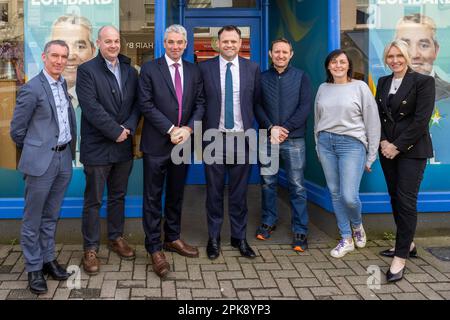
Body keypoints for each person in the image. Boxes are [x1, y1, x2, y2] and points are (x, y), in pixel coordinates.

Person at [138, 24, 205, 278]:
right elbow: (145, 103)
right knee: (153, 198)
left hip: (183, 142)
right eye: (171, 42)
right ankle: (154, 248)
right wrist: (170, 129)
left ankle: (173, 237)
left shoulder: (193, 70)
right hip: (157, 143)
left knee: (176, 194)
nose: (175, 46)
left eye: (179, 42)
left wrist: (187, 129)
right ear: (163, 43)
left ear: (185, 44)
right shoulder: (149, 69)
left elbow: (200, 103)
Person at [10, 40, 76, 294]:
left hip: (63, 159)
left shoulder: (62, 84)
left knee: (51, 215)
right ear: (44, 57)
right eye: (55, 56)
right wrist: (35, 151)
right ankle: (33, 268)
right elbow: (17, 130)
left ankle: (48, 259)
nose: (60, 61)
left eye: (64, 57)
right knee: (33, 218)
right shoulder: (32, 88)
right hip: (41, 162)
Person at [76, 26, 140, 275]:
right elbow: (90, 107)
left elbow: (138, 103)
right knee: (93, 200)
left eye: (116, 41)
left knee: (118, 196)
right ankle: (90, 248)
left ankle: (116, 238)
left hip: (123, 145)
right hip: (98, 147)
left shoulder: (129, 70)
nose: (113, 45)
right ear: (98, 43)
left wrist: (129, 127)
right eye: (108, 41)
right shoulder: (86, 70)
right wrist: (116, 131)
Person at [199, 25, 261, 260]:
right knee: (214, 193)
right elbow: (200, 102)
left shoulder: (251, 68)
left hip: (242, 139)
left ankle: (239, 238)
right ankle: (213, 238)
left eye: (234, 42)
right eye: (225, 41)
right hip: (214, 139)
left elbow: (255, 103)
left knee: (239, 193)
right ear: (218, 42)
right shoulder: (204, 68)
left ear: (240, 43)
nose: (229, 45)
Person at [376, 40, 435, 282]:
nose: (395, 60)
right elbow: (378, 116)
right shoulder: (382, 82)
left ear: (407, 57)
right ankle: (407, 243)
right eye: (390, 56)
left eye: (399, 55)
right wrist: (381, 141)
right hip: (386, 150)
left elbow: (421, 120)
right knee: (394, 197)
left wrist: (397, 146)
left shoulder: (423, 82)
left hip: (411, 150)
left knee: (405, 200)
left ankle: (400, 257)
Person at [314, 49, 380, 259]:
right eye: (334, 62)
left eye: (342, 62)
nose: (338, 65)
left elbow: (373, 121)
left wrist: (371, 155)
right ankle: (346, 237)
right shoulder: (323, 88)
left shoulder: (360, 87)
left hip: (352, 144)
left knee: (349, 196)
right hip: (326, 143)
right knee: (334, 192)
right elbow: (317, 120)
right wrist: (318, 144)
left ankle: (357, 225)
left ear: (349, 65)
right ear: (328, 66)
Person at [255, 38, 312, 252]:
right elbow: (257, 106)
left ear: (291, 54)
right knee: (268, 182)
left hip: (294, 139)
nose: (280, 55)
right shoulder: (261, 78)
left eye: (284, 52)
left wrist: (284, 128)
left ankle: (300, 229)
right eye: (277, 51)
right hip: (268, 139)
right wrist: (271, 128)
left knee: (297, 186)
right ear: (270, 53)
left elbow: (305, 107)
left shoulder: (301, 77)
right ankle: (268, 220)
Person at [50, 14, 96, 167]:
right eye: (62, 46)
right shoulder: (36, 92)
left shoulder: (105, 93)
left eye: (80, 46)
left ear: (93, 51)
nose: (70, 56)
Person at [395, 13, 450, 101]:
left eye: (424, 45)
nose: (414, 54)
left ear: (436, 50)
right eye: (405, 45)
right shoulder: (382, 88)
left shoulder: (448, 92)